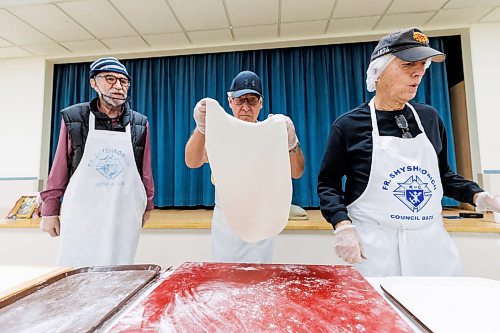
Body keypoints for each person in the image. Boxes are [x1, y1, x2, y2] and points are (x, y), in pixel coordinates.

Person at [317, 28, 500, 277]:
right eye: (407, 64)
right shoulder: (348, 126)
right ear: (378, 71)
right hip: (374, 249)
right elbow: (328, 184)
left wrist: (480, 196)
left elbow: (443, 176)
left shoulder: (429, 118)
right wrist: (342, 225)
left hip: (431, 247)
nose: (418, 72)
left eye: (423, 65)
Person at [40, 57, 154, 267]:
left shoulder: (140, 123)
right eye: (110, 79)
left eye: (123, 81)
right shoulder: (74, 117)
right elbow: (59, 168)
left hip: (123, 212)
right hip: (83, 213)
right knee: (77, 269)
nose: (118, 86)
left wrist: (148, 205)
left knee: (120, 268)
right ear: (93, 82)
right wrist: (50, 210)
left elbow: (144, 170)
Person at [185, 70, 305, 263]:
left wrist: (291, 143)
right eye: (240, 101)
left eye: (252, 100)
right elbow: (192, 162)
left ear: (261, 103)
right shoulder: (219, 133)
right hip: (227, 224)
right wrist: (201, 129)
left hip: (261, 221)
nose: (246, 107)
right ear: (230, 102)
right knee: (224, 281)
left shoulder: (272, 133)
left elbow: (297, 172)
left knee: (259, 281)